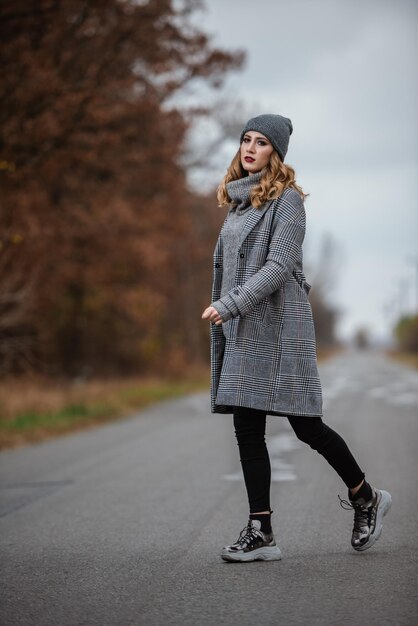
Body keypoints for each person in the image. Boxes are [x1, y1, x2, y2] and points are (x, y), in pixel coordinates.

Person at [201, 114, 392, 563]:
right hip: (244, 328)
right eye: (246, 140)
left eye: (261, 142)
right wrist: (228, 314)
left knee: (305, 424)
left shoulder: (287, 201)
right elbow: (223, 268)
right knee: (247, 428)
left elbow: (279, 266)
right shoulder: (238, 203)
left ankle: (366, 497)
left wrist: (229, 305)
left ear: (277, 153)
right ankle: (261, 530)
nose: (250, 148)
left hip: (281, 327)